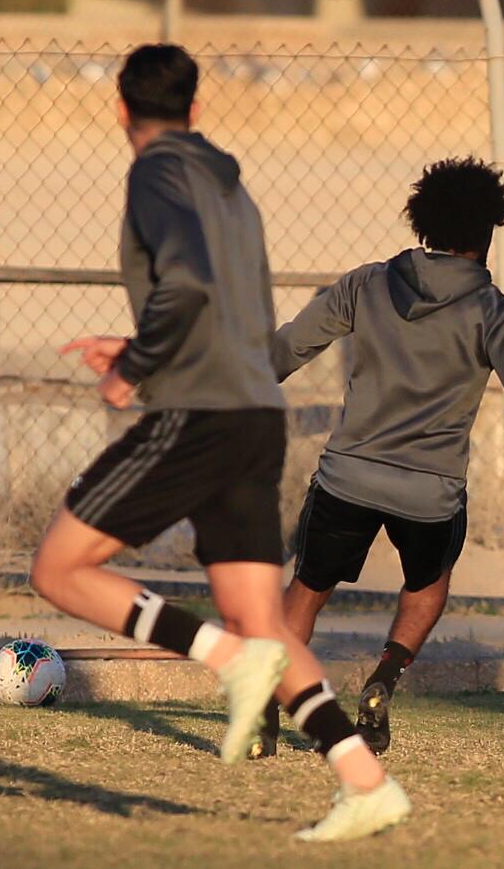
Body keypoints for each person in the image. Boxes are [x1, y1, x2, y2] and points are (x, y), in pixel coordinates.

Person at [30, 44, 410, 841]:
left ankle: (225, 660)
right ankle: (364, 781)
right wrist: (139, 343)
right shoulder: (230, 186)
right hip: (254, 416)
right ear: (197, 110)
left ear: (121, 112)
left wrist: (134, 362)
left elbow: (189, 283)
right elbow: (214, 298)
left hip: (199, 416)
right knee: (260, 621)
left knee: (60, 567)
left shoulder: (154, 171)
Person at [262, 156, 504, 756]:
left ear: (421, 223)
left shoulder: (367, 282)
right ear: (490, 231)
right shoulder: (492, 311)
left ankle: (264, 707)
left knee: (308, 589)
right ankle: (383, 680)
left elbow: (287, 349)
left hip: (347, 477)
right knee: (428, 584)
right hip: (431, 492)